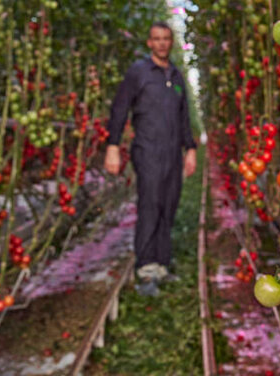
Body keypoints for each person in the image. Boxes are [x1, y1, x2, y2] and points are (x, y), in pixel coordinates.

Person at [104, 21, 197, 295]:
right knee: (150, 204)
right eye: (156, 38)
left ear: (170, 42)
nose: (161, 43)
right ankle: (145, 268)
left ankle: (161, 265)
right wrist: (112, 144)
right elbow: (120, 109)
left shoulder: (177, 77)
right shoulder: (138, 72)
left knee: (168, 204)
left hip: (172, 152)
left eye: (166, 38)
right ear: (149, 43)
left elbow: (183, 117)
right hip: (147, 150)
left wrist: (190, 148)